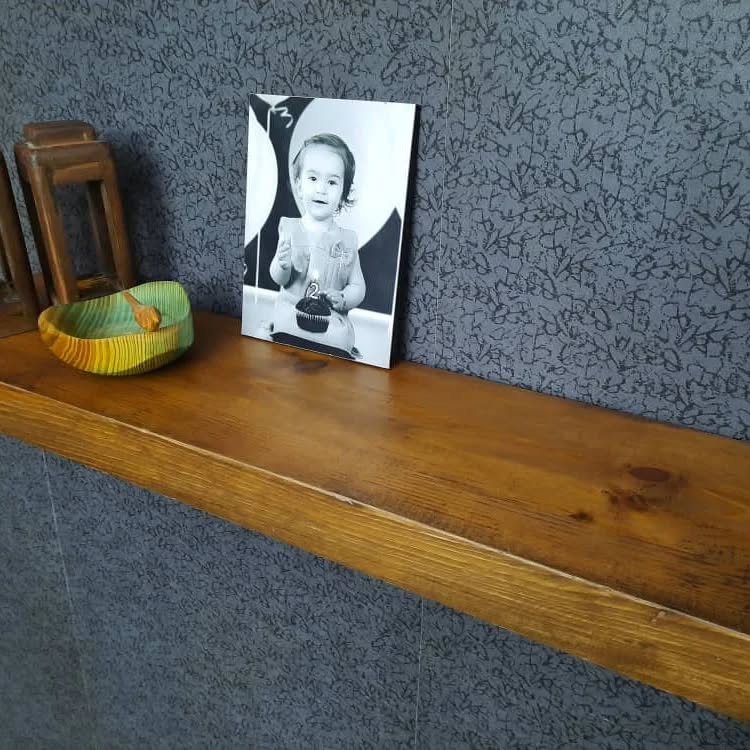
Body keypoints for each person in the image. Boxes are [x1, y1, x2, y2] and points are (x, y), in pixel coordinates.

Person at [267, 133, 365, 355]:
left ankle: (331, 345)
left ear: (343, 193)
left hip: (329, 319)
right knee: (283, 319)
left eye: (332, 182)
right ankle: (287, 333)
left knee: (339, 336)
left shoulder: (347, 241)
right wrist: (281, 265)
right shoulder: (290, 229)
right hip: (292, 311)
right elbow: (279, 279)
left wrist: (343, 298)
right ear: (299, 185)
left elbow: (358, 287)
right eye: (313, 179)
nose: (321, 189)